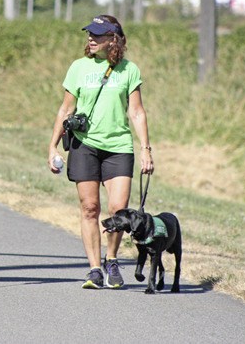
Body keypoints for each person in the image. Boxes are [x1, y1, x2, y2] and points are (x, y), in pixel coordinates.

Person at [47, 15, 154, 289]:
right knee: (90, 208)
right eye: (89, 34)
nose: (90, 38)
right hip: (85, 145)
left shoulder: (129, 70)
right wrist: (52, 145)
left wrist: (145, 149)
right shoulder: (79, 67)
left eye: (97, 34)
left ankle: (112, 259)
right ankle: (94, 269)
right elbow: (66, 109)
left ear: (113, 39)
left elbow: (136, 112)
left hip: (119, 147)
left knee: (118, 209)